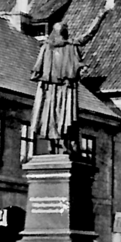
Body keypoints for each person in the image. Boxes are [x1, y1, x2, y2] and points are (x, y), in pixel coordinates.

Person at [30, 22, 85, 155]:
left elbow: (37, 67)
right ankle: (63, 144)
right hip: (64, 89)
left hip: (50, 88)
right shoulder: (70, 47)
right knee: (64, 115)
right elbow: (77, 66)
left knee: (50, 115)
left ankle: (52, 145)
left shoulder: (48, 47)